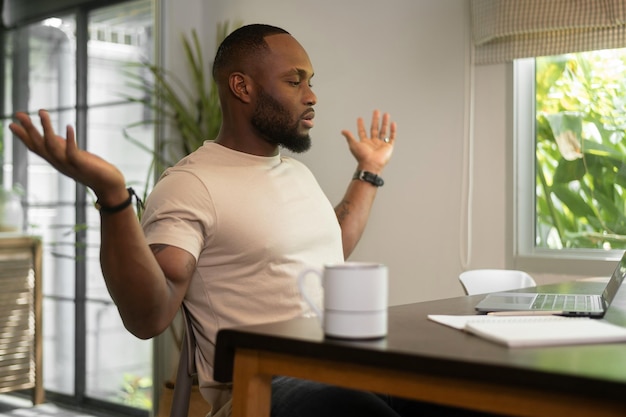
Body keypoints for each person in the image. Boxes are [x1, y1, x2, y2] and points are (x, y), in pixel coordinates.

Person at [10, 24, 488, 417]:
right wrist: (113, 196)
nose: (312, 95)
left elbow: (329, 248)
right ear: (242, 86)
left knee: (470, 398)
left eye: (310, 80)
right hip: (264, 387)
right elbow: (149, 315)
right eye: (295, 80)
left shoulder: (295, 172)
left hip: (338, 365)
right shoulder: (191, 185)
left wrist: (369, 172)